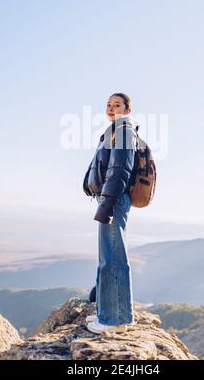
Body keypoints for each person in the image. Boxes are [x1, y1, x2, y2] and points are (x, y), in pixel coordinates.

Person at [83, 93, 138, 334]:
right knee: (110, 257)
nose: (111, 108)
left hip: (112, 201)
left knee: (113, 259)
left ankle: (112, 321)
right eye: (108, 104)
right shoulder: (113, 131)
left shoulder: (124, 131)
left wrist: (107, 204)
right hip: (109, 199)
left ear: (127, 110)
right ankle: (117, 317)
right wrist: (89, 184)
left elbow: (120, 170)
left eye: (117, 105)